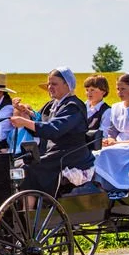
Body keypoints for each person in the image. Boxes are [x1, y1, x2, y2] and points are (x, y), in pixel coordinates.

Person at [9, 66, 94, 196]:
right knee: (16, 163)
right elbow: (42, 123)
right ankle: (18, 203)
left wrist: (25, 122)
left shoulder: (73, 106)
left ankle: (28, 211)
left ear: (67, 85)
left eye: (54, 84)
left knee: (27, 168)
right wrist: (27, 114)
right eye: (49, 84)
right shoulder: (51, 105)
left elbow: (54, 129)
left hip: (69, 155)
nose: (50, 87)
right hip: (51, 152)